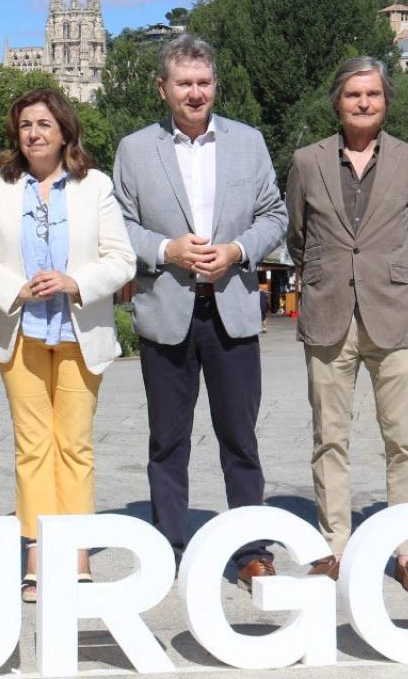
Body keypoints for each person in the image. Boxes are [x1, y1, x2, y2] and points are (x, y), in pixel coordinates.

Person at [112, 36, 286, 589]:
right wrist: (167, 250)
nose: (195, 93)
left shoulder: (249, 143)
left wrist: (236, 251)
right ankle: (169, 546)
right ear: (163, 88)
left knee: (240, 437)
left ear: (216, 85)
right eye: (184, 83)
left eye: (203, 83)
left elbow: (274, 214)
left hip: (231, 309)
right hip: (167, 310)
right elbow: (118, 225)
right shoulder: (135, 149)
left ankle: (251, 550)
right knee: (168, 440)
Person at [0, 88, 134, 602]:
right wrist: (15, 287)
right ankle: (36, 552)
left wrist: (74, 282)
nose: (34, 133)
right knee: (32, 447)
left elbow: (121, 259)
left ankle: (77, 553)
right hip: (22, 333)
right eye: (25, 125)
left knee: (75, 446)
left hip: (80, 332)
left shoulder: (94, 186)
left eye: (44, 124)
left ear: (64, 131)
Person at [283, 57, 408, 593]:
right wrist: (328, 278)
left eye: (372, 94)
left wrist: (388, 279)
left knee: (403, 439)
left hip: (391, 315)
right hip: (328, 316)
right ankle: (334, 546)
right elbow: (298, 238)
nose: (364, 103)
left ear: (386, 101)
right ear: (338, 102)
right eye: (353, 95)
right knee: (331, 437)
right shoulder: (307, 161)